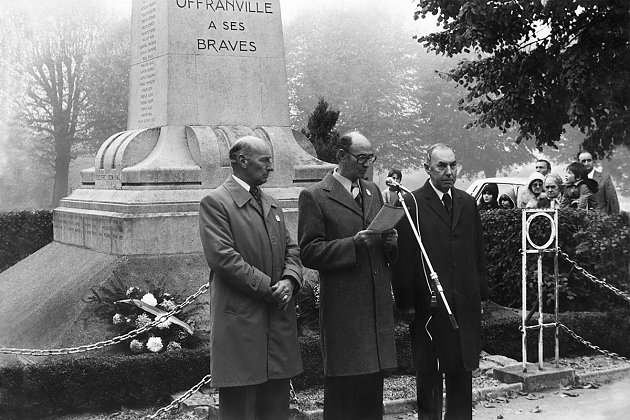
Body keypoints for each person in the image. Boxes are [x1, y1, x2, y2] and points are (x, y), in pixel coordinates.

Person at [199, 136, 303, 420]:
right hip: (241, 325)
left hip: (277, 323)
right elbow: (223, 258)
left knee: (275, 408)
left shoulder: (271, 203)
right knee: (241, 409)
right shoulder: (216, 202)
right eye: (265, 160)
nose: (271, 167)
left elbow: (292, 250)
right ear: (242, 161)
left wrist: (290, 281)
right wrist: (271, 287)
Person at [298, 131, 398, 420]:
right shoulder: (315, 195)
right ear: (341, 156)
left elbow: (381, 244)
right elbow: (309, 251)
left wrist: (391, 244)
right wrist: (351, 244)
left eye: (371, 158)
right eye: (361, 158)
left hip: (375, 306)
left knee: (371, 394)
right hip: (345, 312)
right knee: (344, 394)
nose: (367, 164)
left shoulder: (373, 191)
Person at [392, 143, 488, 420]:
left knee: (462, 372)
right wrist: (406, 303)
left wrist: (481, 295)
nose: (449, 172)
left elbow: (477, 252)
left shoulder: (467, 203)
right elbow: (404, 259)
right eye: (441, 166)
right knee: (429, 373)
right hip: (429, 306)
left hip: (463, 304)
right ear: (427, 168)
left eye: (453, 165)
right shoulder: (412, 204)